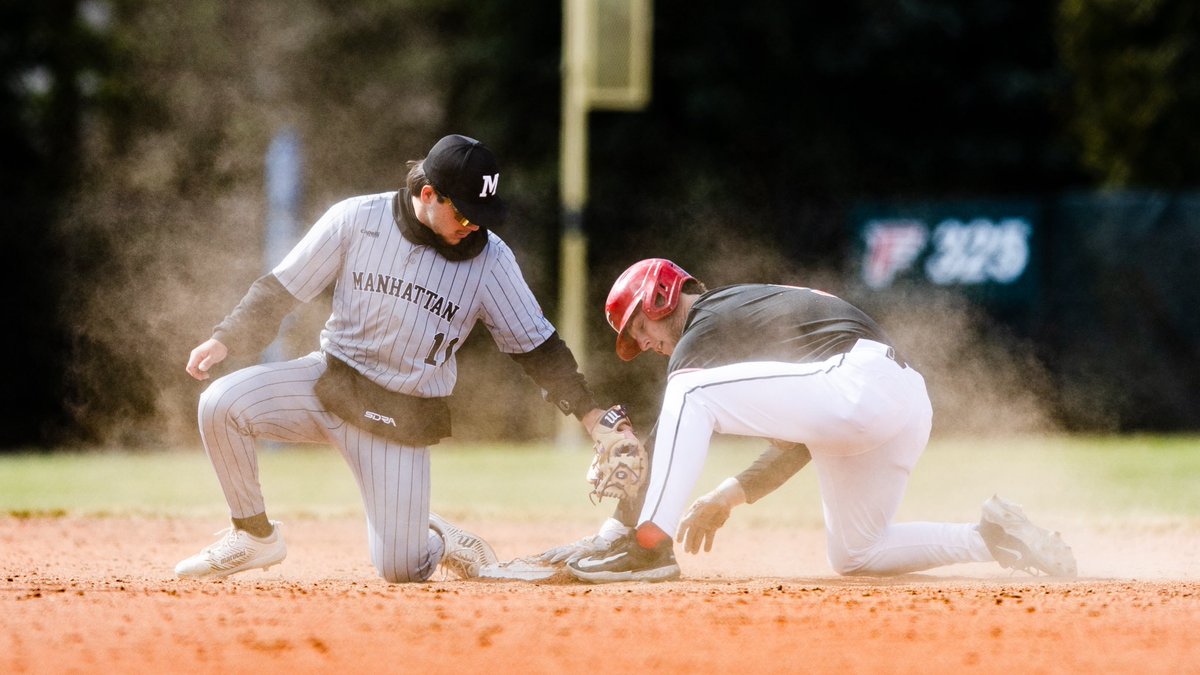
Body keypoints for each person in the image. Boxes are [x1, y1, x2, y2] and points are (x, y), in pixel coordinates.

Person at [176, 134, 631, 583]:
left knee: (402, 568)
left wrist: (591, 416)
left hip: (400, 416)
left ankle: (439, 537)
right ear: (429, 194)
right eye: (465, 213)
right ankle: (254, 536)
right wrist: (225, 339)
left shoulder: (491, 261)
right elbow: (282, 288)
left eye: (483, 215)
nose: (474, 226)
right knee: (220, 403)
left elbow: (536, 347)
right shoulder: (357, 218)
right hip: (327, 385)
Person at [561, 258, 1077, 583]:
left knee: (690, 393)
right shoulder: (737, 325)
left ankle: (650, 547)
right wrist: (727, 496)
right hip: (895, 402)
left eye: (639, 326)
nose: (644, 343)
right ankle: (995, 537)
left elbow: (663, 432)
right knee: (858, 553)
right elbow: (807, 438)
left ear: (660, 297)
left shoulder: (708, 321)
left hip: (862, 381)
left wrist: (616, 527)